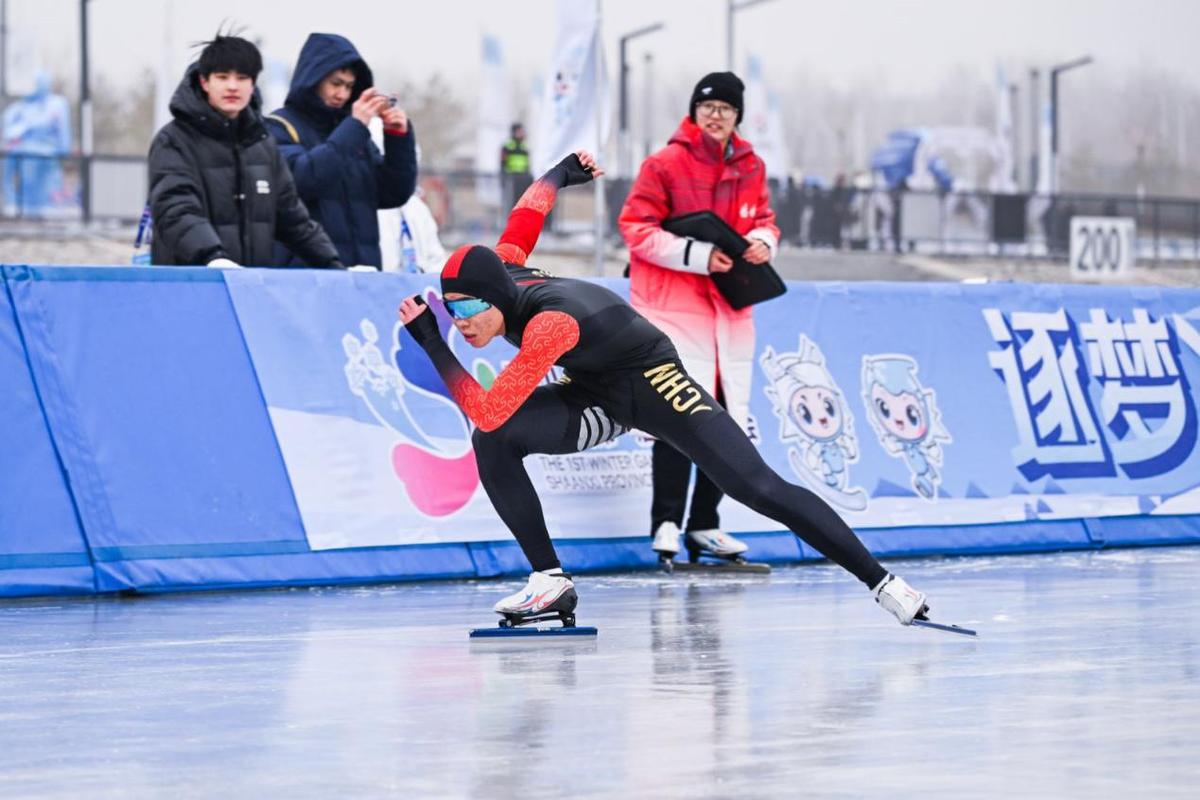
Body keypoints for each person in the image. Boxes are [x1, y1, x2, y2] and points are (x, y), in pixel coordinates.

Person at [397, 150, 930, 629]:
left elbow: (488, 408)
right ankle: (549, 581)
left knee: (756, 487)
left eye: (470, 307)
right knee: (494, 441)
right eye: (451, 309)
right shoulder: (506, 265)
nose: (461, 321)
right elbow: (527, 212)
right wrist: (561, 173)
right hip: (594, 389)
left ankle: (885, 584)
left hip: (654, 383)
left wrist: (433, 343)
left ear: (496, 296)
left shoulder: (548, 325)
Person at [618, 71, 779, 567]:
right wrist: (698, 255)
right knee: (678, 413)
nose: (716, 115)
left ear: (737, 116)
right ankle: (666, 521)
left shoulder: (752, 166)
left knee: (724, 420)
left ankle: (705, 524)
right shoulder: (664, 164)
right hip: (673, 307)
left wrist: (763, 243)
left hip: (728, 310)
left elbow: (765, 220)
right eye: (708, 107)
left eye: (725, 109)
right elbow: (636, 229)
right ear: (694, 111)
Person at [148, 33, 341, 268]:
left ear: (252, 84)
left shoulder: (262, 144)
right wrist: (213, 257)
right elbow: (176, 209)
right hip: (194, 282)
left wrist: (334, 265)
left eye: (242, 78)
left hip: (249, 285)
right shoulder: (173, 141)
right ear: (204, 82)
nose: (232, 86)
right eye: (222, 77)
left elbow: (292, 219)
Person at [266, 33, 417, 269]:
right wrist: (354, 127)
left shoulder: (354, 134)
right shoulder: (280, 127)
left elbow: (392, 193)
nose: (343, 94)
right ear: (313, 78)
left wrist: (398, 138)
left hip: (360, 275)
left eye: (349, 86)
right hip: (304, 276)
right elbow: (303, 181)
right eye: (335, 84)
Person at [499, 122, 532, 215]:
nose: (522, 133)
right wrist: (504, 177)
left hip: (524, 178)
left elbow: (527, 164)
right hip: (512, 179)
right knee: (512, 202)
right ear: (514, 132)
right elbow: (502, 163)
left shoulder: (524, 147)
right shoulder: (507, 147)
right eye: (520, 131)